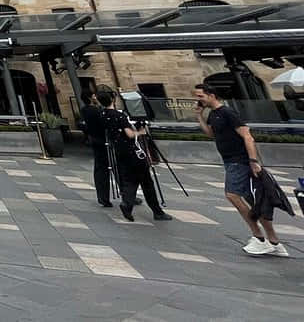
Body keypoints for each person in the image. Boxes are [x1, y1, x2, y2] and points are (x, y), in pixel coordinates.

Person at [194, 82, 287, 256]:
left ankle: (259, 237)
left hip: (239, 161)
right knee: (255, 202)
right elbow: (211, 134)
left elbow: (247, 136)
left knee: (232, 195)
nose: (198, 100)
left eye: (200, 96)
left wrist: (253, 160)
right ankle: (274, 242)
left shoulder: (228, 112)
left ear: (211, 95)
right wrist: (199, 116)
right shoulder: (213, 114)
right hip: (231, 161)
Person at [97, 87, 172, 222]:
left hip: (119, 151)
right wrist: (141, 132)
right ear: (113, 99)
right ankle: (157, 211)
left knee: (129, 180)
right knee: (146, 182)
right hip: (133, 151)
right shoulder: (119, 116)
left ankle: (127, 203)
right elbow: (130, 134)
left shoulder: (103, 115)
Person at [81, 91, 112, 207]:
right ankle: (126, 195)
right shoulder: (96, 110)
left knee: (101, 169)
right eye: (94, 96)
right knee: (109, 168)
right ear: (90, 98)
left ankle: (103, 197)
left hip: (96, 141)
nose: (96, 97)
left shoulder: (86, 110)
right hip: (103, 141)